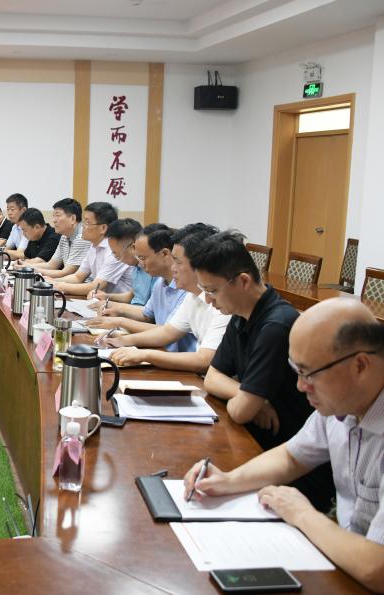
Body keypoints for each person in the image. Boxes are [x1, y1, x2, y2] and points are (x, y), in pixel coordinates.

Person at [183, 299, 382, 591]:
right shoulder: (340, 404)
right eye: (295, 371)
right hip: (343, 564)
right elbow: (293, 456)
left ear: (360, 365)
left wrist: (303, 515)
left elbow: (377, 568)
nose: (301, 386)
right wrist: (228, 481)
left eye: (308, 373)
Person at [191, 230, 334, 510]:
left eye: (213, 290)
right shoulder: (241, 314)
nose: (208, 300)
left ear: (243, 281)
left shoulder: (276, 325)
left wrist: (248, 399)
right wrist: (253, 396)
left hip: (292, 468)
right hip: (262, 447)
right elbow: (212, 378)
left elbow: (241, 411)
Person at [107, 224, 230, 373]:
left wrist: (145, 355)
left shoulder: (225, 304)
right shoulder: (192, 296)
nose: (173, 268)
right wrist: (123, 341)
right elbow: (167, 332)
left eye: (178, 262)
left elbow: (204, 360)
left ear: (200, 264)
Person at [90, 225, 195, 352]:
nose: (140, 263)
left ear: (165, 254)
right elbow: (146, 314)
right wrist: (117, 310)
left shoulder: (188, 289)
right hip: (160, 349)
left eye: (143, 258)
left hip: (175, 355)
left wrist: (120, 322)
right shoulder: (160, 282)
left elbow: (167, 331)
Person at [53, 202, 132, 296]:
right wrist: (52, 281)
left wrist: (58, 286)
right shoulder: (94, 245)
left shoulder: (113, 250)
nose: (83, 226)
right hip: (102, 299)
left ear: (103, 228)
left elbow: (95, 286)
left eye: (87, 222)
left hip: (120, 302)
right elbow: (78, 277)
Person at [22, 198, 89, 279]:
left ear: (72, 219)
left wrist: (31, 269)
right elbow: (51, 265)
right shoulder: (64, 237)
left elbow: (66, 272)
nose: (54, 220)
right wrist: (27, 266)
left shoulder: (82, 238)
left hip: (82, 284)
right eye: (53, 216)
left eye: (57, 215)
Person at [93, 218, 153, 307]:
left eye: (117, 254)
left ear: (133, 247)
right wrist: (106, 296)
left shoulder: (152, 269)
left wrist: (115, 307)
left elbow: (149, 311)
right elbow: (131, 296)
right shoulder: (136, 267)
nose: (117, 258)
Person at [4, 193, 30, 260]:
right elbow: (7, 248)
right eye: (8, 209)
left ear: (23, 210)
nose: (9, 213)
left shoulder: (29, 227)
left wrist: (3, 252)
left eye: (12, 209)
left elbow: (20, 254)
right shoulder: (15, 227)